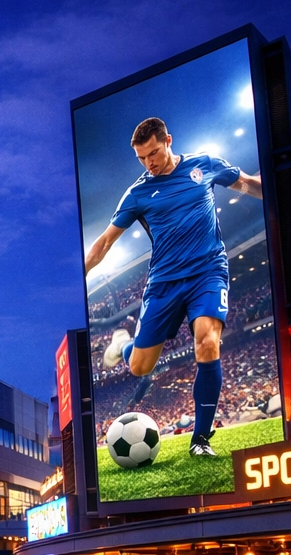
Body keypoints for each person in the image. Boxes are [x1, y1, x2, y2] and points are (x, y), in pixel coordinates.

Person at [84, 115, 262, 447]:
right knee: (139, 366)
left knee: (207, 342)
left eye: (152, 153)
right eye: (141, 157)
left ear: (168, 141)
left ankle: (201, 439)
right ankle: (121, 344)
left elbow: (247, 183)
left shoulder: (203, 165)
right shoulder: (138, 193)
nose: (148, 162)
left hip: (208, 272)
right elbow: (105, 243)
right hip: (164, 283)